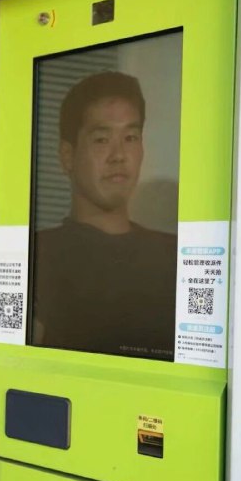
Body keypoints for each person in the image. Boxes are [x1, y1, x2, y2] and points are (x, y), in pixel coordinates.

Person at [32, 71, 177, 360]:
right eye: (101, 139)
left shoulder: (177, 256)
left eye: (130, 137)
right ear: (68, 156)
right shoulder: (38, 256)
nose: (119, 155)